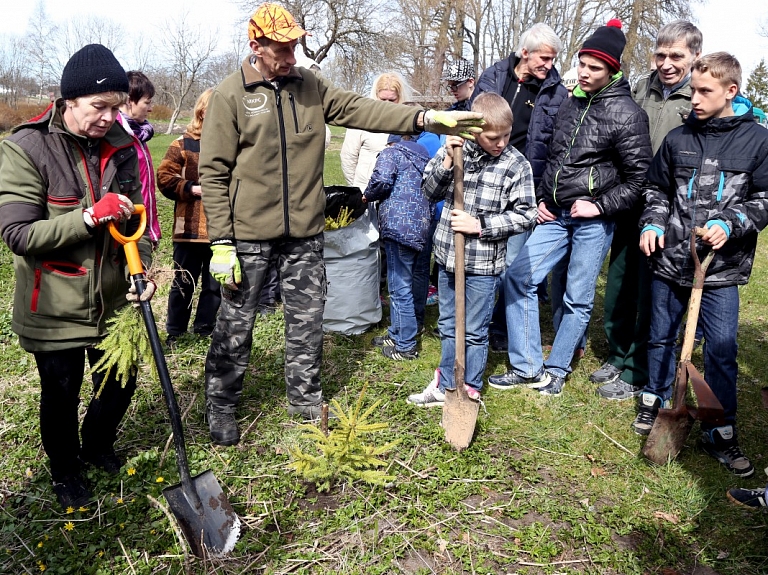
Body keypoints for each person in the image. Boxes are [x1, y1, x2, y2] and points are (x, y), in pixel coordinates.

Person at [199, 2, 483, 445]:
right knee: (237, 322)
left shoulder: (309, 86)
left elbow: (359, 109)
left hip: (305, 234)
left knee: (307, 320)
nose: (291, 56)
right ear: (255, 46)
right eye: (281, 49)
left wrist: (422, 117)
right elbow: (213, 172)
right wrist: (221, 242)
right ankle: (221, 405)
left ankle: (305, 400)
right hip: (248, 236)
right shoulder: (230, 96)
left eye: (295, 46)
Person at [0, 44, 153, 508]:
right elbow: (18, 233)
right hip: (54, 302)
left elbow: (134, 222)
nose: (109, 117)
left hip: (113, 300)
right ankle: (65, 470)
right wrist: (88, 217)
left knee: (120, 380)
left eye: (117, 106)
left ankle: (99, 445)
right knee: (61, 392)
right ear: (69, 100)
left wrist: (140, 265)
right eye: (98, 107)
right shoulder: (26, 147)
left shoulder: (124, 148)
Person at [488, 19, 652, 396]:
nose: (584, 72)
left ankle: (557, 370)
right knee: (518, 278)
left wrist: (599, 207)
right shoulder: (570, 101)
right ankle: (528, 366)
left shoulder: (628, 114)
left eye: (594, 67)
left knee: (577, 296)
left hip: (593, 222)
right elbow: (554, 155)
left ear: (612, 70)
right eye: (581, 63)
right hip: (555, 215)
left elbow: (639, 180)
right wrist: (544, 198)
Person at [634, 52, 768, 478]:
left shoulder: (758, 142)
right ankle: (654, 400)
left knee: (723, 349)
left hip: (720, 267)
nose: (694, 97)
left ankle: (720, 430)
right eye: (692, 88)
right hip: (671, 258)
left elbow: (764, 200)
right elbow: (655, 190)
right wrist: (653, 223)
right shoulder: (678, 138)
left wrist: (730, 223)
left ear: (731, 91)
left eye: (704, 90)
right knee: (660, 336)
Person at [593, 20, 703, 401]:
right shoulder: (642, 88)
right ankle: (618, 354)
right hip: (629, 200)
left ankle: (639, 369)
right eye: (661, 55)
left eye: (677, 56)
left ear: (695, 56)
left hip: (669, 210)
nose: (667, 63)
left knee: (649, 292)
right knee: (619, 285)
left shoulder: (699, 97)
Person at [407, 92, 537, 407]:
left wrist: (479, 225)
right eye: (494, 137)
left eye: (506, 135)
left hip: (483, 264)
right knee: (449, 324)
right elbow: (428, 190)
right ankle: (447, 384)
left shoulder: (515, 164)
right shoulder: (455, 150)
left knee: (475, 331)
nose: (501, 142)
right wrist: (449, 161)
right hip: (450, 257)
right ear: (474, 131)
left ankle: (471, 388)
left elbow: (527, 214)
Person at [472, 23, 569, 352]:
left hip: (523, 182)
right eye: (544, 57)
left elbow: (557, 147)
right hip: (484, 176)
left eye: (553, 59)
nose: (549, 65)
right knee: (481, 254)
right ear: (524, 53)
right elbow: (473, 121)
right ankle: (474, 322)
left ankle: (500, 328)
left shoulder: (556, 92)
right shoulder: (495, 76)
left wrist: (543, 197)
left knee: (512, 261)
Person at [157, 88, 221, 345]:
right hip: (189, 229)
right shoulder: (182, 145)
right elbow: (164, 178)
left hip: (221, 230)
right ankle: (175, 330)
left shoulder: (230, 145)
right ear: (203, 112)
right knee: (184, 282)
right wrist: (193, 188)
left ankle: (205, 328)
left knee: (215, 285)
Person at [365, 134, 432, 360]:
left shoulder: (391, 152)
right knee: (417, 276)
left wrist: (367, 196)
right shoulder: (424, 155)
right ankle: (398, 331)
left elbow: (381, 181)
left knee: (398, 286)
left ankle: (405, 346)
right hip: (423, 224)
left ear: (392, 140)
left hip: (398, 225)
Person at [341, 72, 412, 190]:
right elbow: (348, 157)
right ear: (376, 95)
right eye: (383, 99)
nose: (386, 104)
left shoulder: (407, 123)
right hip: (365, 190)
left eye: (392, 100)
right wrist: (357, 189)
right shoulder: (360, 120)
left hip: (395, 194)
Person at [118, 71, 161, 247]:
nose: (150, 108)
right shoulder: (117, 136)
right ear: (129, 100)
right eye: (147, 102)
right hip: (127, 234)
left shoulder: (140, 135)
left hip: (143, 229)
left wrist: (152, 231)